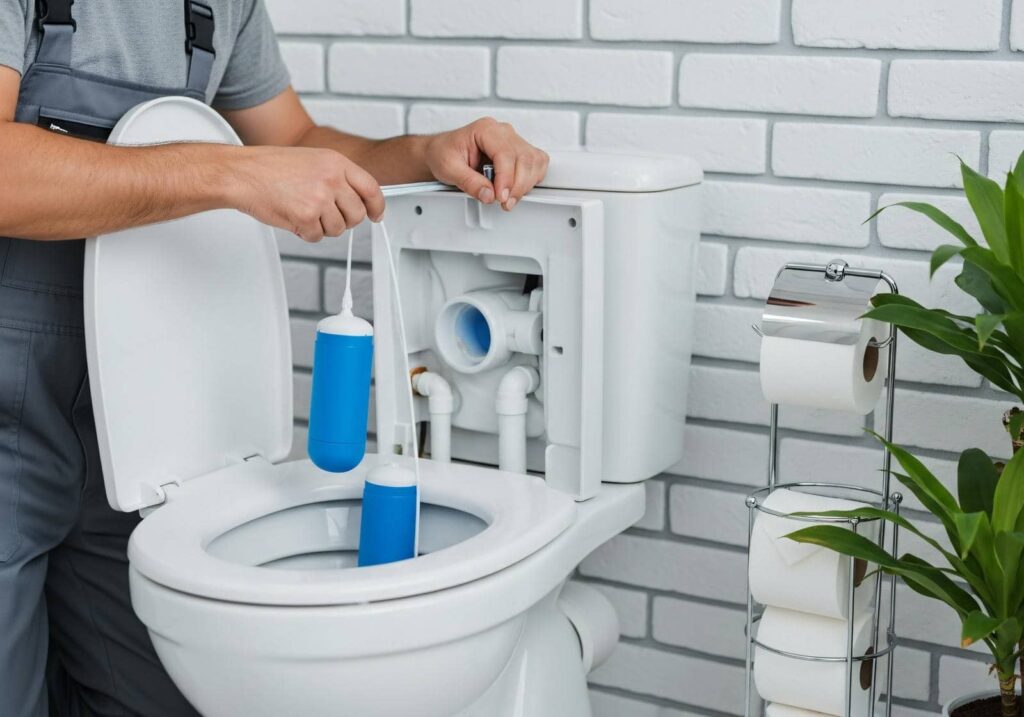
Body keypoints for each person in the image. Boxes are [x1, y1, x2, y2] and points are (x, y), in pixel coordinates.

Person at [0, 1, 549, 715]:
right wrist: (230, 174)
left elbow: (293, 139)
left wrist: (423, 154)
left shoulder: (221, 5)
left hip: (135, 430)